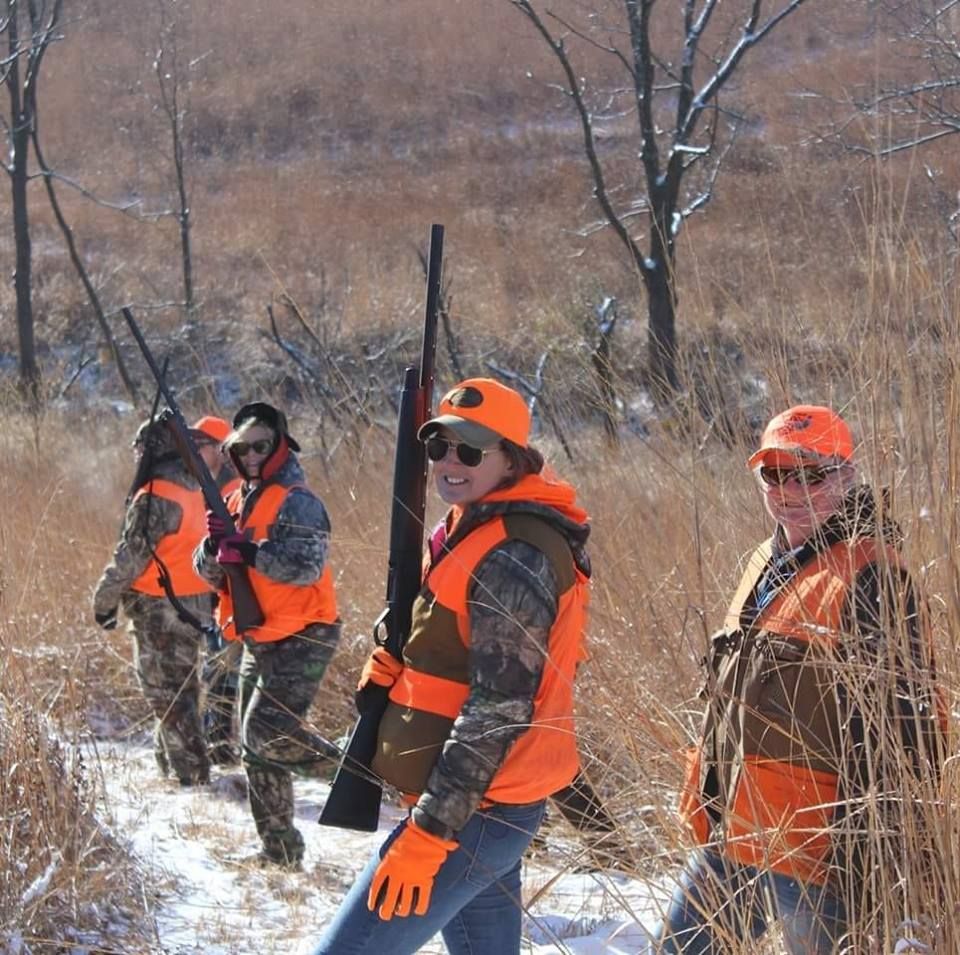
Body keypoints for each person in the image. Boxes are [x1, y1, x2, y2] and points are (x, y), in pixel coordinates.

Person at [313, 377, 592, 955]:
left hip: (473, 812)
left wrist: (431, 832)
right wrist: (404, 664)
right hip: (483, 805)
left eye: (470, 451)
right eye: (439, 447)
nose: (449, 462)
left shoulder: (516, 554)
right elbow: (461, 652)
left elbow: (499, 709)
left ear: (512, 460)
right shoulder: (473, 527)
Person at [658, 405, 945, 953]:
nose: (790, 488)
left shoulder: (874, 577)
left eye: (811, 472)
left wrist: (868, 870)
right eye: (774, 472)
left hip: (814, 856)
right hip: (734, 835)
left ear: (847, 474)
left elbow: (904, 738)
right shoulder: (765, 560)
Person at [193, 401, 341, 868]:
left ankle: (363, 776)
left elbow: (305, 566)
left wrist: (249, 552)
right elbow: (209, 576)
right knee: (253, 749)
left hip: (305, 634)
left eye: (262, 445)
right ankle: (279, 852)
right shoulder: (235, 500)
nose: (252, 455)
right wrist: (214, 548)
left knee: (265, 734)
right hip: (260, 636)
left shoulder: (299, 500)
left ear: (279, 444)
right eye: (243, 448)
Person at [92, 413, 230, 786]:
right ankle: (170, 768)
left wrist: (103, 602)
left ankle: (194, 779)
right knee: (182, 691)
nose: (137, 455)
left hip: (158, 608)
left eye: (140, 447)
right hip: (193, 603)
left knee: (165, 697)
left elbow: (131, 555)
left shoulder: (157, 494)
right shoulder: (193, 488)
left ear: (153, 448)